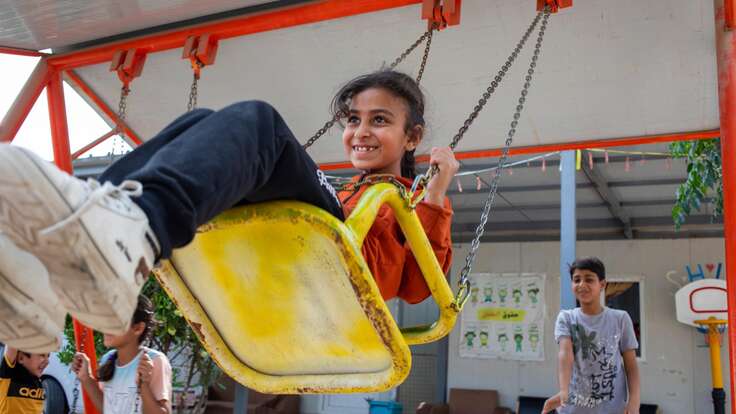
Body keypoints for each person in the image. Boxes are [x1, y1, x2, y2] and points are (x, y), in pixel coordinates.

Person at [0, 69, 458, 339]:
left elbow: (420, 288)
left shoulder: (409, 202)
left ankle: (132, 235)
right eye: (353, 119)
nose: (361, 132)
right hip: (308, 252)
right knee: (199, 121)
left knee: (262, 123)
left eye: (379, 121)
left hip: (340, 267)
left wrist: (437, 194)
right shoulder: (350, 192)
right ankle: (51, 282)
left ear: (412, 137)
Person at [542, 257, 640, 414]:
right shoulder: (566, 318)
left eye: (589, 279)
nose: (582, 285)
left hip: (612, 409)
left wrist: (634, 401)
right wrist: (563, 390)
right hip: (572, 408)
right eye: (576, 280)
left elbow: (631, 365)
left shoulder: (620, 318)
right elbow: (565, 354)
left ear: (602, 284)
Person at [72, 295, 172, 414]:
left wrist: (144, 384)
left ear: (138, 328)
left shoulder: (153, 361)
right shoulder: (108, 359)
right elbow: (107, 409)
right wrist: (86, 378)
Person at [0, 344, 49, 414]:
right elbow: (13, 340)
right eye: (41, 355)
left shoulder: (38, 382)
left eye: (48, 356)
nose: (47, 361)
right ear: (21, 358)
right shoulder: (9, 374)